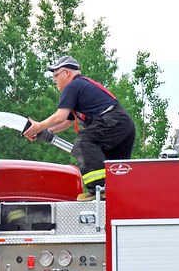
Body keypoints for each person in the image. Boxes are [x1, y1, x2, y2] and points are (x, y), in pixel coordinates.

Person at [23, 55, 136, 201]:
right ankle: (115, 193)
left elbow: (60, 116)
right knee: (114, 167)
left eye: (56, 75)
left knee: (83, 143)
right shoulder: (81, 87)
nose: (54, 80)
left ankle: (98, 189)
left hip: (112, 121)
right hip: (123, 125)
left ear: (67, 73)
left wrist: (38, 126)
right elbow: (67, 121)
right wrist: (46, 132)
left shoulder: (72, 86)